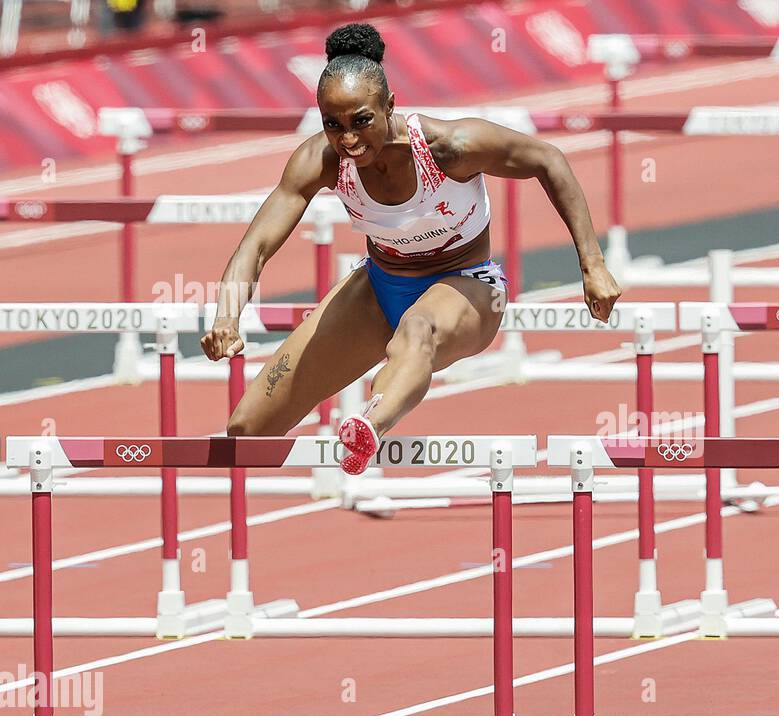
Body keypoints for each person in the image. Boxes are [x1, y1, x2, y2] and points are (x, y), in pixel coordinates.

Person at [201, 22, 620, 474]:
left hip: (469, 287)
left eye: (361, 120)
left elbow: (548, 160)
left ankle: (367, 426)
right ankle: (359, 426)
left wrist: (592, 264)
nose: (348, 140)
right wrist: (226, 315)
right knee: (247, 433)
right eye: (332, 125)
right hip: (381, 285)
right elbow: (256, 246)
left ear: (390, 106)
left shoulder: (447, 148)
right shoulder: (320, 161)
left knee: (416, 330)